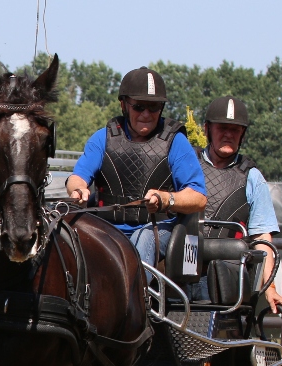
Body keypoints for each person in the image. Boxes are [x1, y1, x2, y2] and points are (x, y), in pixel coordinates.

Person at [65, 67, 206, 266]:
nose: (146, 114)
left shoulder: (176, 142)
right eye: (139, 107)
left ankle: (137, 286)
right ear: (124, 105)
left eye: (153, 107)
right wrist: (78, 189)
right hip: (107, 227)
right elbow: (77, 177)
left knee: (144, 237)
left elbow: (198, 198)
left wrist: (166, 199)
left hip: (158, 230)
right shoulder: (102, 138)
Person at [199, 95, 282, 313]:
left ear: (243, 134)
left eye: (235, 130)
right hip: (184, 268)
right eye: (222, 128)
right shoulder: (187, 165)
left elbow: (262, 237)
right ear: (207, 129)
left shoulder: (253, 177)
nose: (228, 134)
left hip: (228, 275)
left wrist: (270, 288)